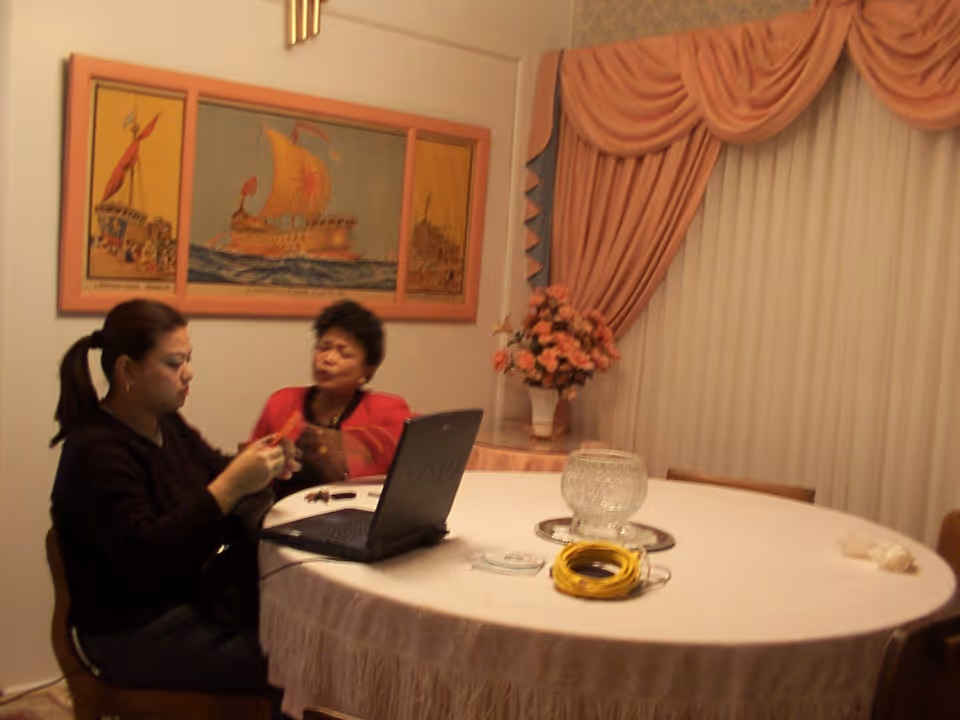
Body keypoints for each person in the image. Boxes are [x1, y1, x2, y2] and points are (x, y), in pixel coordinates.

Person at [50, 299, 299, 695]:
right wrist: (232, 486)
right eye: (173, 363)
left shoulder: (164, 419)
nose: (189, 373)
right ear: (127, 369)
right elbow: (147, 559)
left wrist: (260, 462)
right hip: (132, 631)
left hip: (189, 602)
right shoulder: (95, 451)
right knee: (297, 663)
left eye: (188, 359)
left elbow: (213, 468)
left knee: (301, 634)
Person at [250, 299, 412, 499]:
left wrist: (330, 453)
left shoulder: (386, 410)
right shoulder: (282, 401)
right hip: (280, 517)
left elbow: (403, 479)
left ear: (367, 371)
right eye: (323, 347)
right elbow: (251, 472)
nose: (328, 359)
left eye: (344, 353)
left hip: (356, 518)